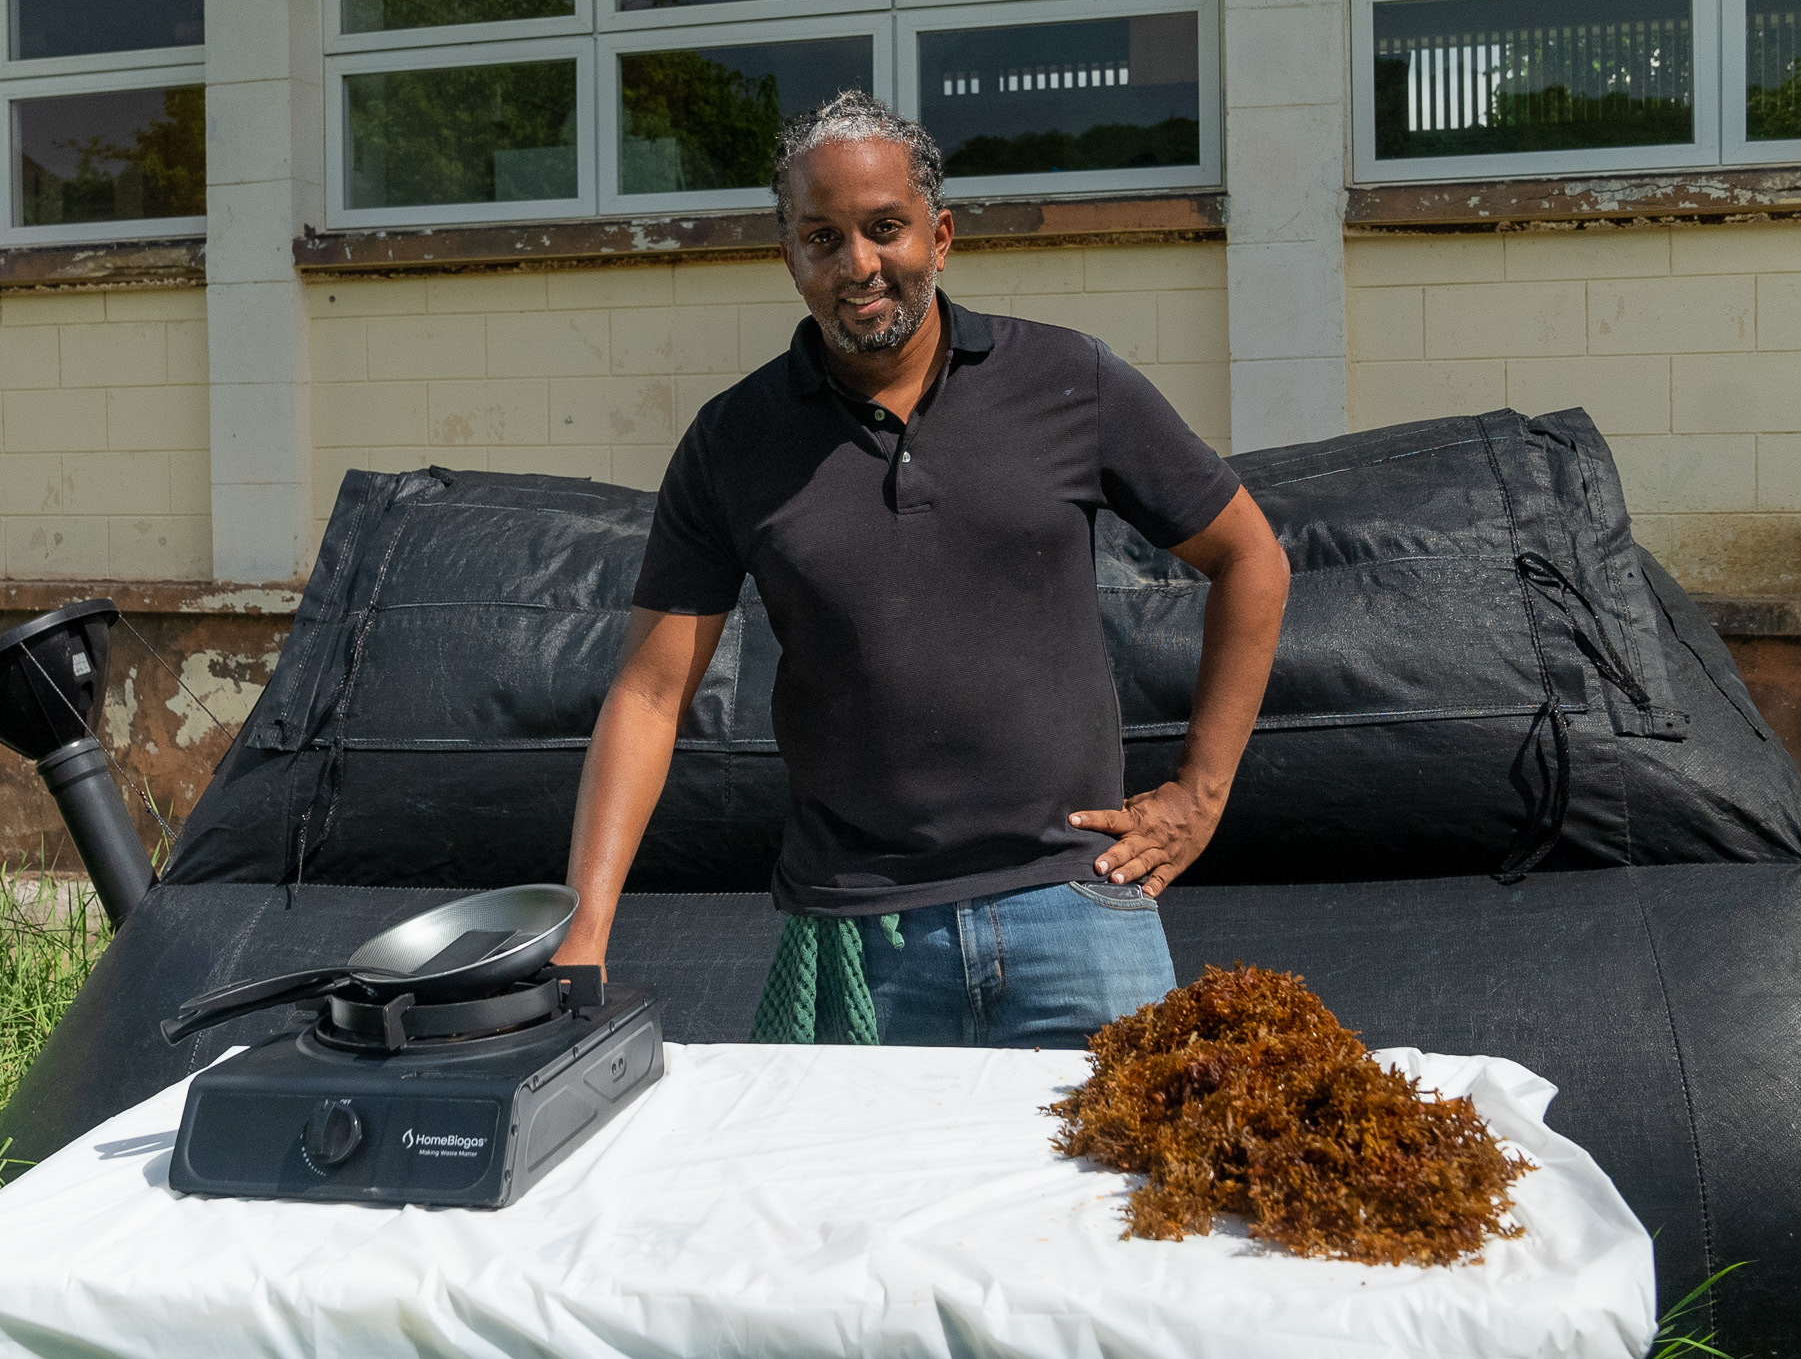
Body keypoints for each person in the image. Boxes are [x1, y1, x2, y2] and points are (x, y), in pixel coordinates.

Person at [552, 93, 1291, 1048]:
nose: (858, 264)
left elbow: (1251, 558)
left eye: (884, 228)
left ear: (939, 236)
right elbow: (651, 695)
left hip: (1079, 913)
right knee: (849, 1204)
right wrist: (584, 930)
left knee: (1122, 1197)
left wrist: (1201, 793)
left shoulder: (1070, 383)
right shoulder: (733, 444)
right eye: (822, 237)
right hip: (863, 938)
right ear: (790, 258)